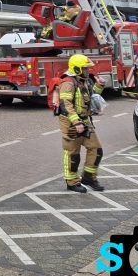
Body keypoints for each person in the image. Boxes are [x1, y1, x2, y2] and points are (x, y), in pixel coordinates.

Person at [58, 54, 105, 193]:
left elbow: (89, 96)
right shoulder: (67, 83)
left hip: (84, 121)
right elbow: (65, 104)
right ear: (77, 69)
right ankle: (72, 182)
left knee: (96, 149)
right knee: (73, 154)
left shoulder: (84, 81)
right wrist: (76, 122)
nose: (87, 70)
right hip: (71, 123)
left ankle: (89, 177)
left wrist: (99, 86)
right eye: (85, 68)